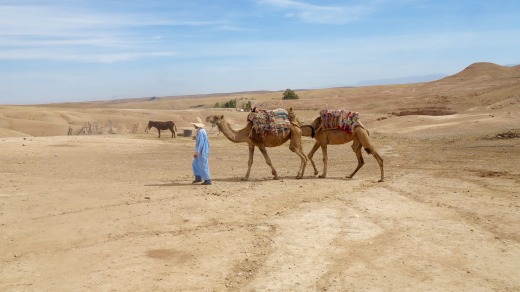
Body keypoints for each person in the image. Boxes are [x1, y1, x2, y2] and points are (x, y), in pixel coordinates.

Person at [191, 117, 211, 185]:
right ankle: (198, 177)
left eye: (194, 124)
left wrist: (197, 152)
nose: (194, 126)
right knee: (195, 163)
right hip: (201, 151)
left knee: (203, 165)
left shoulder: (201, 132)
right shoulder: (200, 131)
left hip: (202, 151)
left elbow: (201, 143)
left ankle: (207, 180)